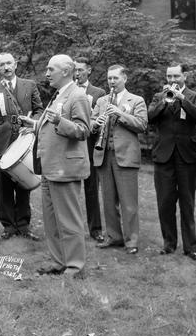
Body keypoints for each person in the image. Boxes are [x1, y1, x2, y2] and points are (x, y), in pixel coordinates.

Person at [20, 54, 91, 278]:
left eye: (51, 69)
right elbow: (50, 122)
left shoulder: (77, 95)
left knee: (69, 220)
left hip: (65, 169)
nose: (47, 73)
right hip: (49, 167)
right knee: (51, 221)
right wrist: (35, 126)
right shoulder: (58, 95)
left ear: (66, 71)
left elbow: (82, 130)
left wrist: (60, 122)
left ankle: (75, 266)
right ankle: (59, 261)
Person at [147, 63, 196, 261]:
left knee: (187, 202)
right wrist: (164, 101)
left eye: (176, 76)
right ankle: (169, 244)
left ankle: (191, 247)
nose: (172, 80)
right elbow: (150, 118)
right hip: (163, 155)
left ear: (184, 76)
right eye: (169, 76)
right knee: (165, 202)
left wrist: (182, 98)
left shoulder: (194, 95)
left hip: (186, 155)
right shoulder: (158, 97)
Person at [0, 52, 43, 240]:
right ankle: (8, 226)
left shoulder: (30, 85)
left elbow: (40, 109)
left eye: (9, 63)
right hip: (1, 143)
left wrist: (31, 124)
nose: (6, 67)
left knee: (24, 183)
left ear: (15, 65)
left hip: (25, 142)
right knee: (4, 185)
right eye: (2, 65)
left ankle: (24, 225)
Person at [91, 65, 147, 255]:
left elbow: (141, 125)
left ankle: (132, 241)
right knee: (108, 200)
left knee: (128, 202)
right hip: (104, 154)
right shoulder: (101, 100)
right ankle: (114, 237)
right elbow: (89, 123)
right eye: (109, 79)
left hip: (126, 155)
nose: (111, 82)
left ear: (125, 78)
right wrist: (95, 123)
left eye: (115, 78)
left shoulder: (136, 100)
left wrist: (120, 114)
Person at [74, 57, 106, 243]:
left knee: (92, 188)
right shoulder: (68, 91)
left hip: (90, 146)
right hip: (72, 146)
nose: (77, 73)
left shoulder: (98, 92)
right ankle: (74, 228)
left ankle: (95, 229)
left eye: (80, 70)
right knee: (71, 189)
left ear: (89, 71)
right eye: (75, 70)